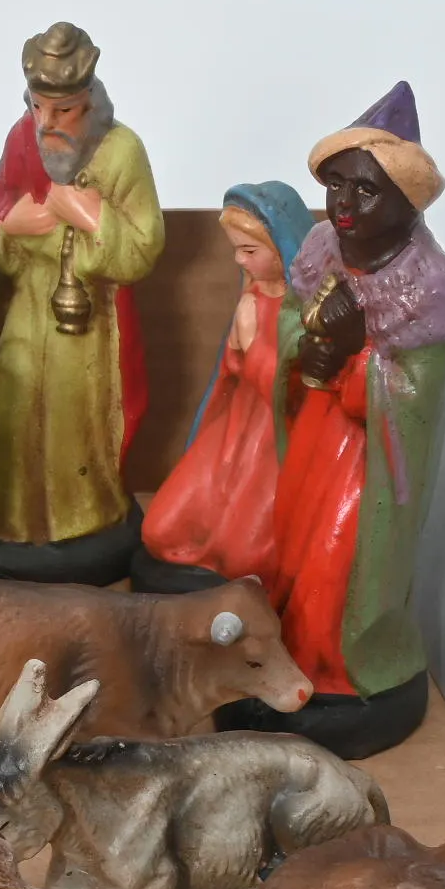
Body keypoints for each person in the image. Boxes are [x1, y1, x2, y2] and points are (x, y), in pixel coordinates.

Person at [255, 82, 445, 757]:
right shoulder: (322, 247)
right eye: (336, 185)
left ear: (408, 200)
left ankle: (340, 669)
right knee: (292, 541)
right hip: (315, 435)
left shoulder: (428, 286)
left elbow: (417, 396)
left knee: (338, 559)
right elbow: (294, 328)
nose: (343, 204)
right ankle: (287, 653)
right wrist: (308, 346)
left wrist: (358, 359)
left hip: (367, 460)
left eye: (366, 190)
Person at [0, 21, 165, 581]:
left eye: (62, 111)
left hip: (87, 323)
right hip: (26, 306)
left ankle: (81, 519)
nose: (45, 123)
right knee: (13, 408)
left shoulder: (123, 151)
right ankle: (8, 519)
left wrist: (90, 215)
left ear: (89, 101)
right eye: (37, 107)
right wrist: (10, 224)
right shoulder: (21, 139)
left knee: (71, 419)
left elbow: (144, 246)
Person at [135, 182, 315, 589]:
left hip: (272, 448)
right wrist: (236, 350)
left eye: (249, 251)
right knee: (159, 530)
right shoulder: (250, 296)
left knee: (244, 557)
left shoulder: (308, 314)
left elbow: (292, 393)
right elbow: (228, 373)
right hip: (232, 433)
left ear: (283, 249)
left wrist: (251, 346)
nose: (239, 260)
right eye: (235, 249)